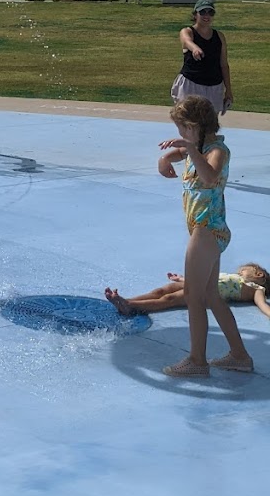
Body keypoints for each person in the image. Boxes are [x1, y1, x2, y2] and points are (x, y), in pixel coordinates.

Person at [157, 94, 254, 377]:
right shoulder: (197, 147)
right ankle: (240, 355)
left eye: (182, 129)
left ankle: (197, 360)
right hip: (206, 230)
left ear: (194, 126)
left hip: (206, 230)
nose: (179, 136)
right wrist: (166, 158)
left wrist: (189, 149)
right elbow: (180, 154)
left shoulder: (215, 151)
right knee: (211, 295)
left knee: (192, 296)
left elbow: (210, 176)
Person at [105, 262, 270, 316]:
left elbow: (262, 305)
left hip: (204, 293)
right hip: (198, 282)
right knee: (162, 290)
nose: (240, 271)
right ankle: (129, 299)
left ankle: (130, 305)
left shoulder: (256, 289)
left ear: (259, 274)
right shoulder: (236, 278)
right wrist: (182, 279)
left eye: (243, 270)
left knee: (168, 300)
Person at [172, 0, 233, 116]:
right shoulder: (187, 31)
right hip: (191, 84)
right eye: (203, 12)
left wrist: (228, 90)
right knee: (190, 122)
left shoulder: (219, 36)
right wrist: (194, 48)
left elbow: (224, 65)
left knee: (209, 126)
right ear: (195, 14)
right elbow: (186, 41)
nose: (207, 15)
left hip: (214, 86)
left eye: (210, 12)